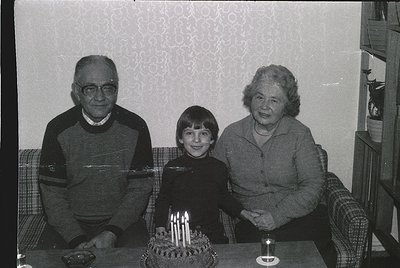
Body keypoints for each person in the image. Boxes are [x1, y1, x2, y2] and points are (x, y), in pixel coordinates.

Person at [212, 65, 337, 267]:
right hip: (254, 223)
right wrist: (242, 213)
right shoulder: (232, 135)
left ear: (286, 106)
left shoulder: (299, 134)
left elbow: (314, 184)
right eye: (259, 97)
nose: (264, 106)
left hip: (300, 216)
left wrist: (277, 216)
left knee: (313, 258)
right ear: (250, 98)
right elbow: (213, 182)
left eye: (274, 100)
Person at [37, 55, 154, 249]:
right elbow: (52, 195)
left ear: (116, 89)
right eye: (90, 88)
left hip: (122, 225)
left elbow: (140, 190)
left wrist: (111, 232)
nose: (100, 97)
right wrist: (76, 239)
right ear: (76, 91)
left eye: (108, 87)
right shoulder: (57, 129)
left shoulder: (136, 126)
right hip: (69, 225)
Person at [154, 105, 257, 244]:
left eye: (203, 133)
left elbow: (224, 196)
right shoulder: (172, 167)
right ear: (180, 138)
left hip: (212, 235)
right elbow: (163, 199)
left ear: (212, 139)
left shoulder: (219, 167)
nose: (197, 140)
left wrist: (243, 212)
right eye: (189, 133)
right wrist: (160, 225)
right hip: (181, 236)